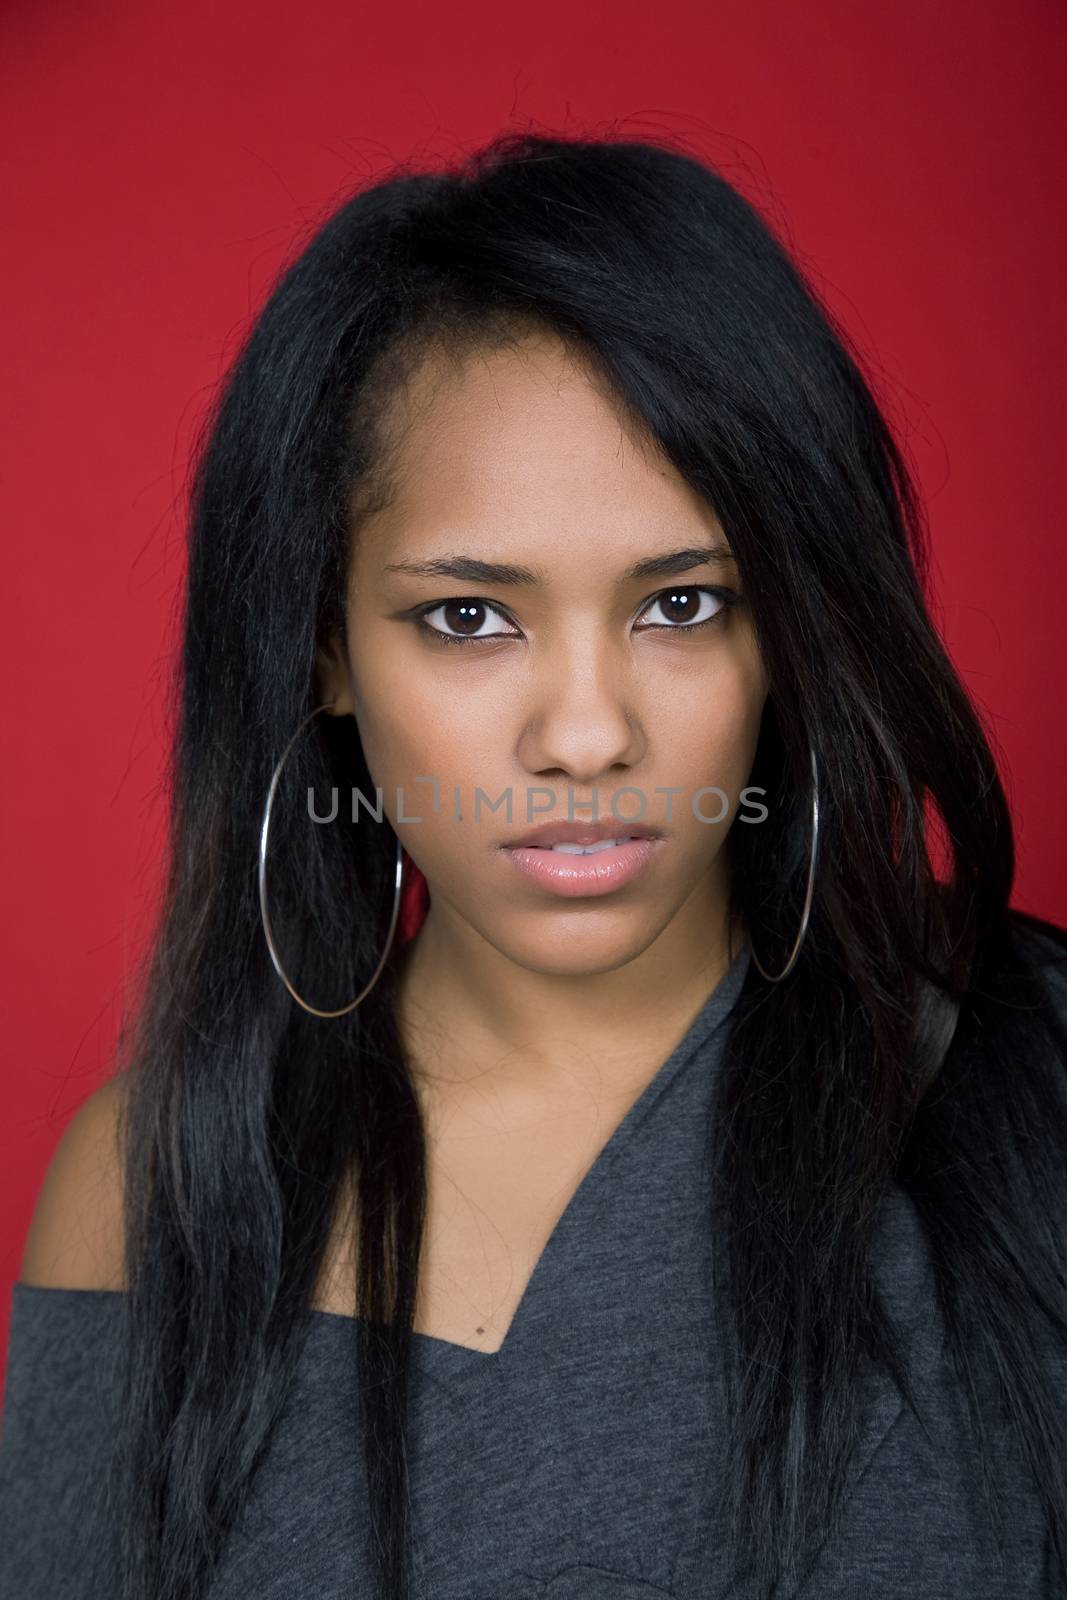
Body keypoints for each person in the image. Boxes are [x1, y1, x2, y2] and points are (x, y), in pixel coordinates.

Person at [1, 129, 1065, 1600]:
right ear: (324, 646)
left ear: (791, 636)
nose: (585, 733)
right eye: (467, 619)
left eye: (684, 602)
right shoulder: (156, 1192)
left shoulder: (1036, 1084)